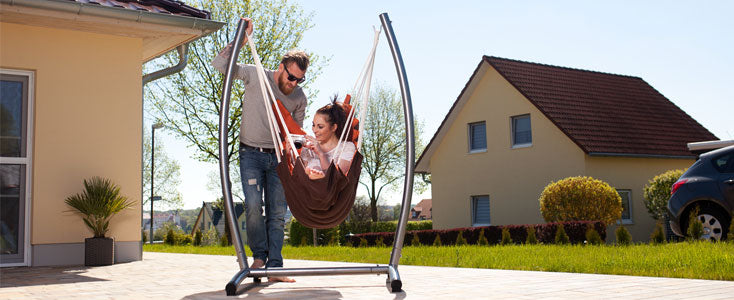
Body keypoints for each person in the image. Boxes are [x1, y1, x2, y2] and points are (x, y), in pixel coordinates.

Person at [211, 17, 308, 283]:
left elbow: (295, 136)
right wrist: (241, 41)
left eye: (299, 80)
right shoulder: (255, 75)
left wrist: (302, 151)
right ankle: (259, 258)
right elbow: (220, 65)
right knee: (254, 205)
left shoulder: (299, 98)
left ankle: (275, 268)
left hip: (277, 157)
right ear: (281, 67)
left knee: (277, 213)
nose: (293, 83)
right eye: (290, 77)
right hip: (250, 154)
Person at [300, 100, 357, 180]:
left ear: (333, 127)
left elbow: (337, 178)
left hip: (332, 190)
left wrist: (321, 153)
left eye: (320, 127)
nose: (314, 130)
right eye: (313, 125)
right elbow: (298, 175)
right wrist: (288, 153)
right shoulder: (308, 148)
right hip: (308, 189)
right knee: (313, 163)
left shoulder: (346, 147)